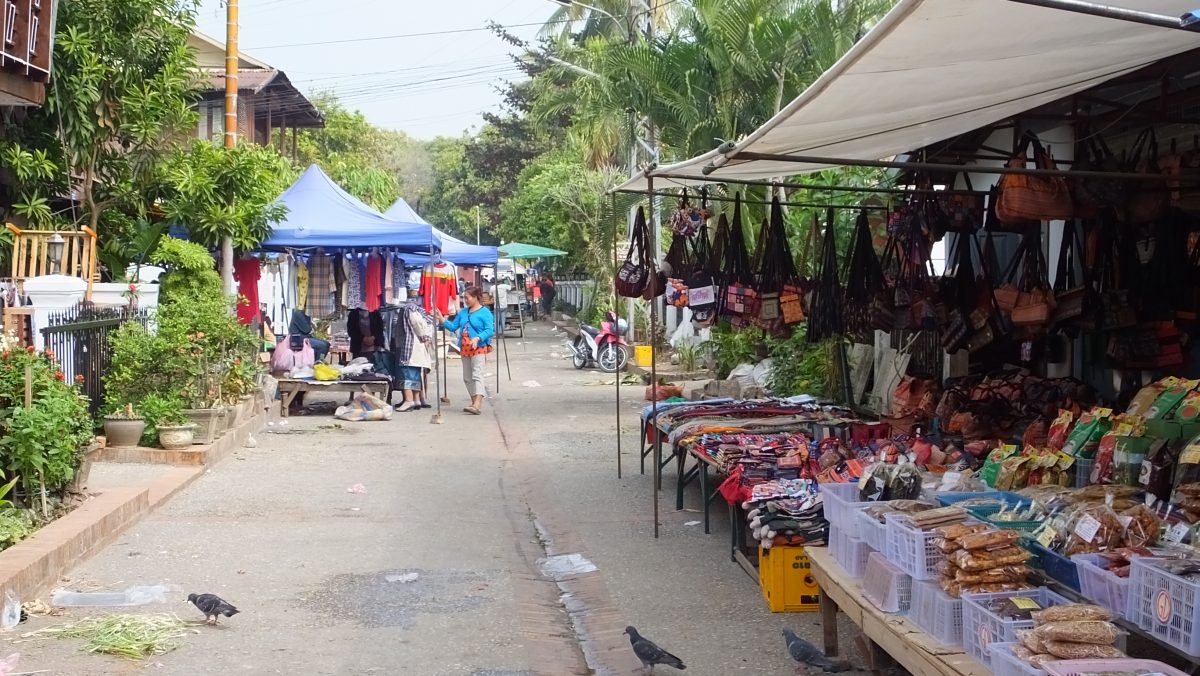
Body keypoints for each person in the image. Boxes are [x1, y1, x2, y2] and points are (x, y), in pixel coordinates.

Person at [436, 286, 494, 415]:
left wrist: (478, 337)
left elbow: (489, 330)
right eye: (464, 298)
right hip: (464, 348)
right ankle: (474, 402)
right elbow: (453, 327)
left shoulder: (485, 312)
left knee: (477, 374)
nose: (465, 300)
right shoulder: (463, 312)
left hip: (479, 347)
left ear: (476, 297)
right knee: (467, 377)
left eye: (467, 298)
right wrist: (442, 319)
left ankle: (478, 403)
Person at [393, 301, 435, 412]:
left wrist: (423, 336)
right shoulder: (423, 313)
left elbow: (416, 323)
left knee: (406, 372)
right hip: (417, 347)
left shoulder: (409, 308)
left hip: (410, 345)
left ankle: (409, 400)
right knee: (415, 373)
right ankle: (416, 399)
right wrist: (426, 338)